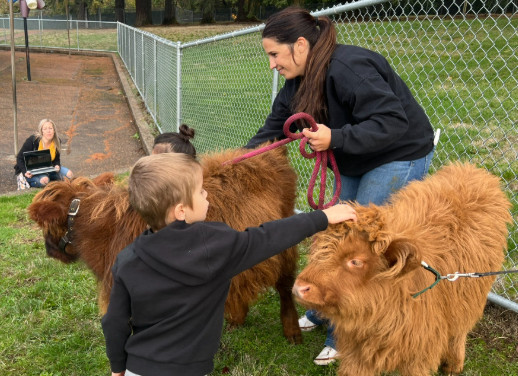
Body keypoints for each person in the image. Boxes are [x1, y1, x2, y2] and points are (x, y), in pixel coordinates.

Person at [245, 7, 435, 365]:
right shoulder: (296, 85)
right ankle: (320, 309)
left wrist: (336, 137)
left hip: (397, 154)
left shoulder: (350, 69)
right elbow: (272, 130)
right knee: (332, 231)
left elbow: (392, 121)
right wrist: (232, 162)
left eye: (274, 54)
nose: (271, 64)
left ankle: (343, 335)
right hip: (352, 155)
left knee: (361, 245)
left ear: (300, 45)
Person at [101, 152, 357, 376]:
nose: (206, 194)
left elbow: (114, 321)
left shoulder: (127, 259)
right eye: (200, 191)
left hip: (139, 367)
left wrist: (117, 367)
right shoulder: (215, 245)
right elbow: (268, 237)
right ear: (181, 210)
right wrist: (322, 217)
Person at [14, 119, 74, 188]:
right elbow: (19, 158)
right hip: (32, 170)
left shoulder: (57, 141)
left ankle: (51, 178)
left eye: (50, 128)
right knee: (44, 180)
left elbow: (56, 159)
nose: (48, 131)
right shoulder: (33, 140)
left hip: (49, 168)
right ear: (41, 131)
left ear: (54, 130)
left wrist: (57, 165)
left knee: (70, 175)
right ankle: (39, 180)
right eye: (45, 129)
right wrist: (25, 172)